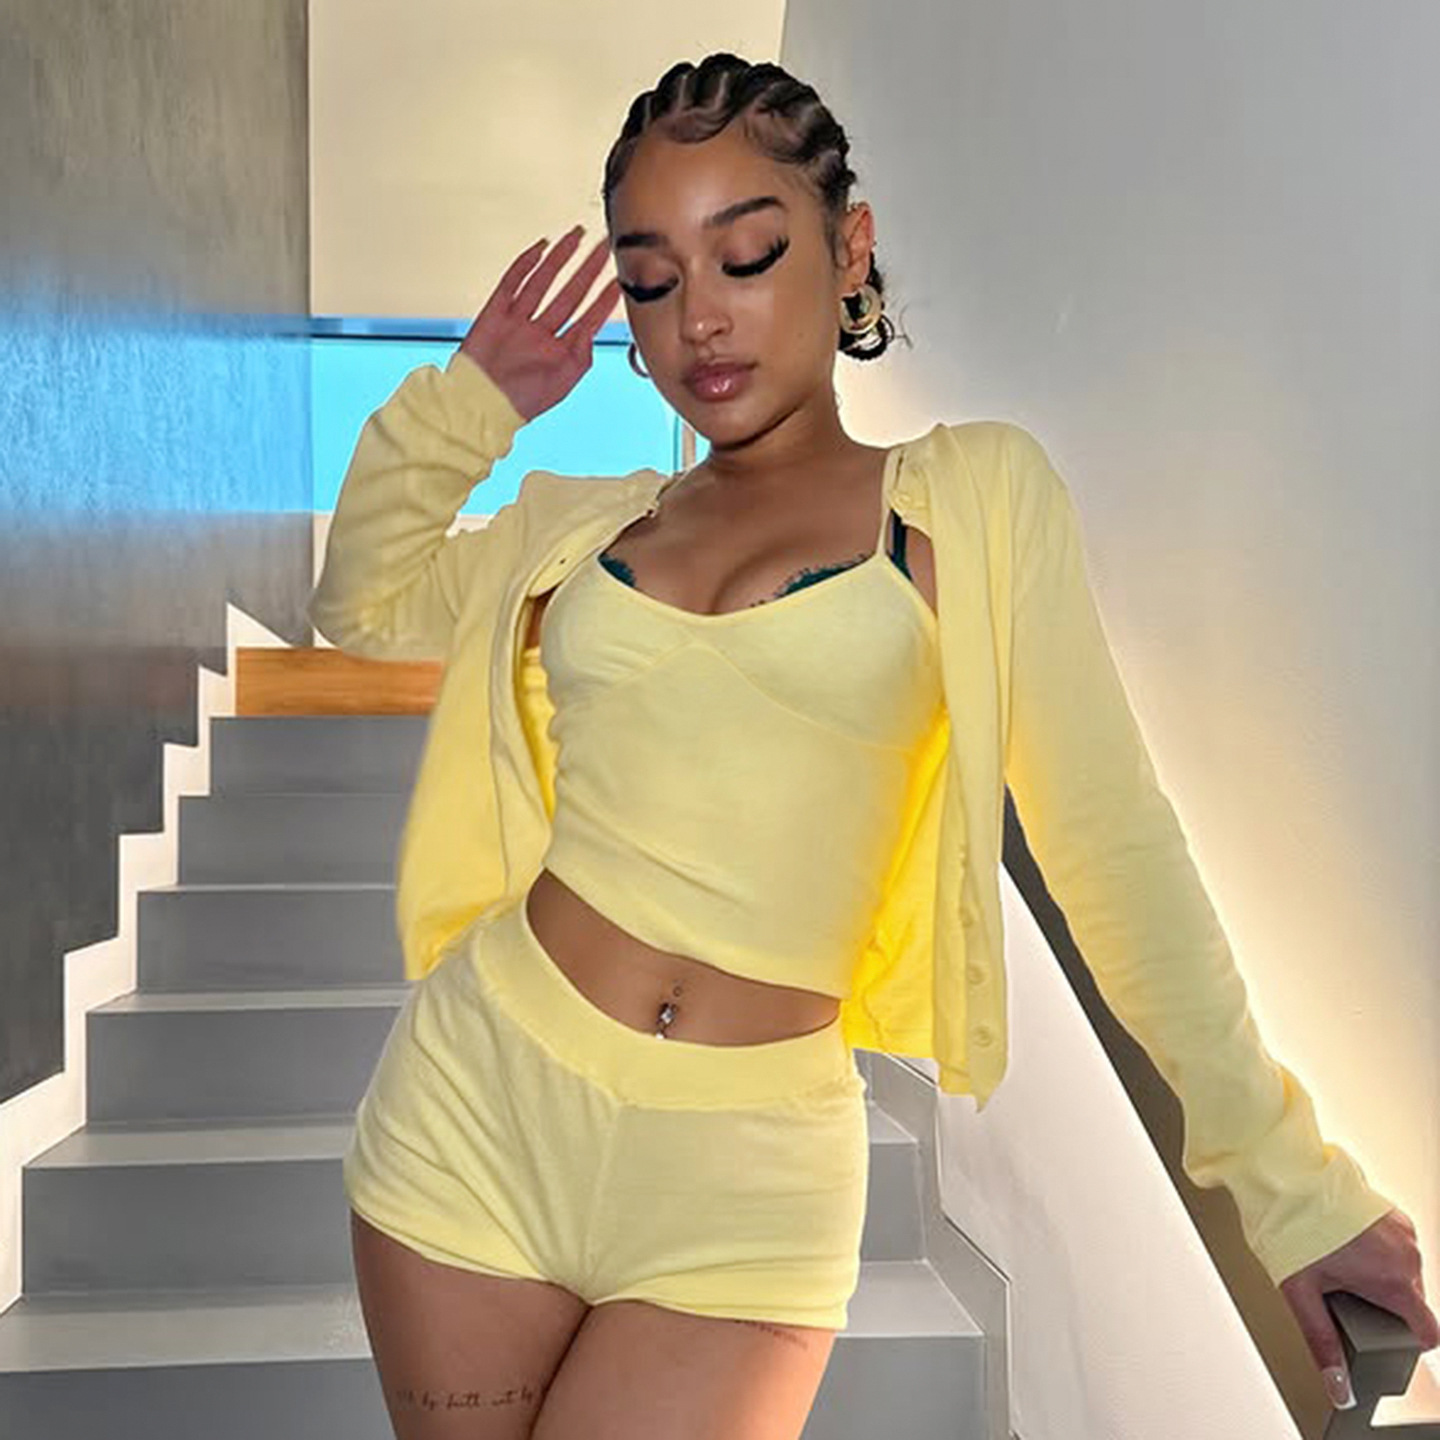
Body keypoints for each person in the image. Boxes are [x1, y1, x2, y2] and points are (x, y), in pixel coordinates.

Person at [312, 51, 1436, 1440]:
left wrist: (1288, 1184)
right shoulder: (581, 529)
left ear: (848, 250)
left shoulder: (969, 502)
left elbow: (1113, 849)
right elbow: (362, 603)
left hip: (744, 1185)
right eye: (652, 281)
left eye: (748, 256)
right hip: (477, 1108)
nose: (700, 319)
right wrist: (473, 398)